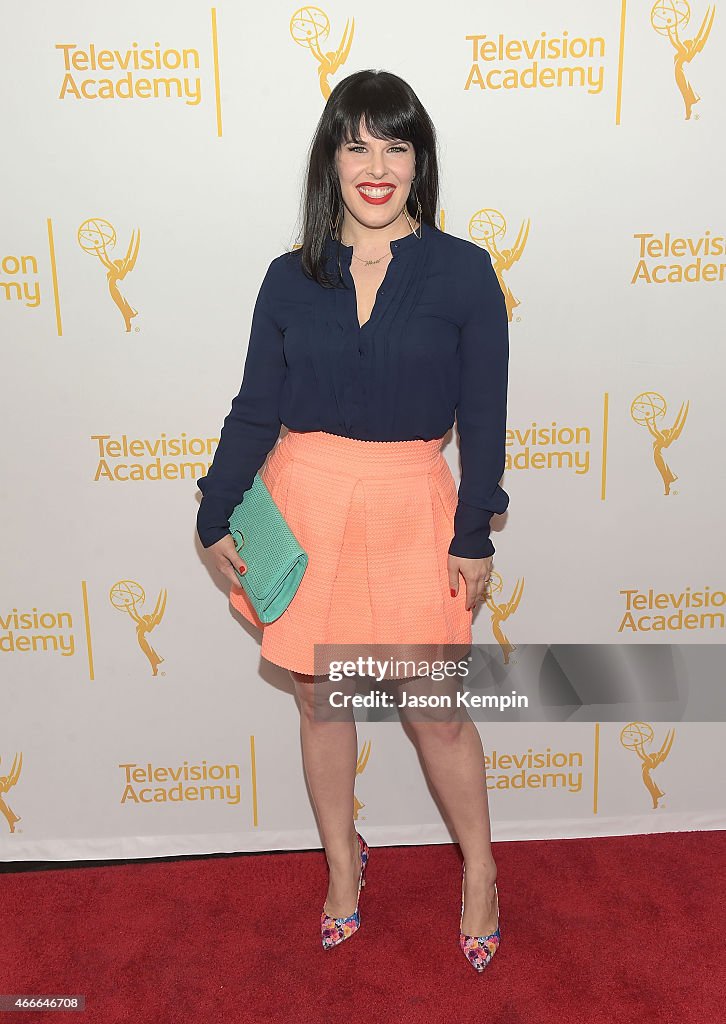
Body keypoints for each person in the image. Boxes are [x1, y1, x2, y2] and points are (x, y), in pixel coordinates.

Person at [196, 69, 508, 972]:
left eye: (396, 145)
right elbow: (257, 406)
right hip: (306, 503)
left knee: (436, 713)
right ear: (330, 159)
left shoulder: (463, 271)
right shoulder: (288, 278)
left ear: (421, 160)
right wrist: (215, 507)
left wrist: (474, 530)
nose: (376, 167)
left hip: (416, 506)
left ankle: (480, 871)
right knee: (322, 700)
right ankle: (344, 864)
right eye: (356, 144)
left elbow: (484, 416)